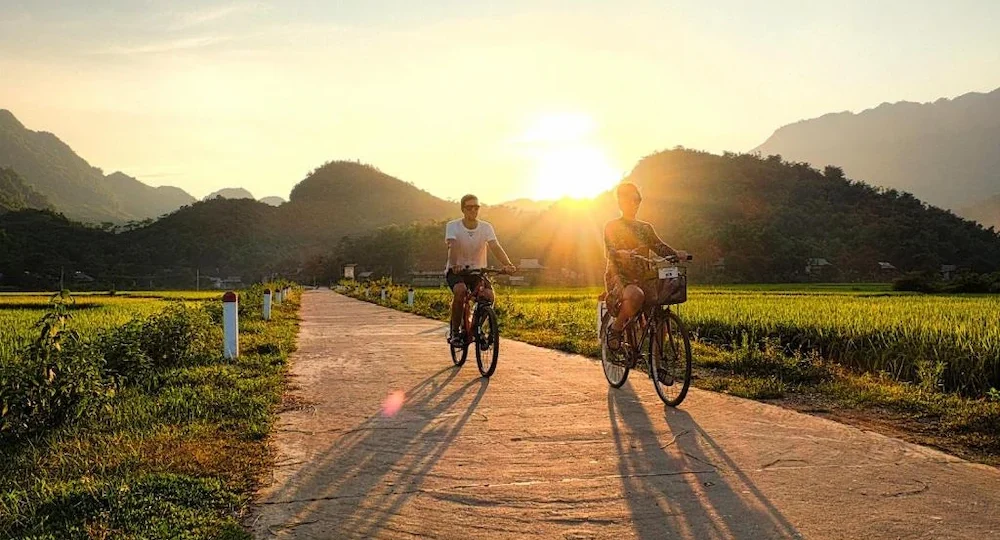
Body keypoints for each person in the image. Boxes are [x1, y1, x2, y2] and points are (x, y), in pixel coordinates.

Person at [603, 182, 680, 351]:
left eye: (637, 199)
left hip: (645, 277)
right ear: (620, 202)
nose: (634, 203)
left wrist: (676, 253)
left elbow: (659, 246)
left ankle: (657, 367)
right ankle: (615, 329)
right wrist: (621, 253)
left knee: (660, 320)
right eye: (629, 199)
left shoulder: (645, 228)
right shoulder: (612, 226)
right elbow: (610, 251)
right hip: (620, 277)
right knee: (636, 295)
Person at [445, 194, 516, 346]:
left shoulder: (486, 227)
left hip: (478, 271)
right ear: (463, 209)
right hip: (457, 271)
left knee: (489, 296)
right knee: (460, 291)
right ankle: (455, 332)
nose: (473, 210)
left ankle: (475, 328)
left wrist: (508, 264)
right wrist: (454, 264)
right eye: (469, 207)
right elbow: (453, 246)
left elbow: (495, 247)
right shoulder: (453, 226)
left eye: (476, 207)